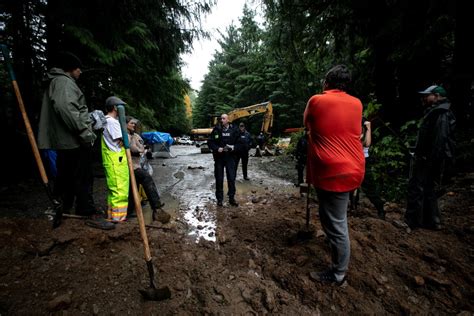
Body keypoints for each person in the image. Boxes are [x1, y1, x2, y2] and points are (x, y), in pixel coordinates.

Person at [38, 52, 114, 230]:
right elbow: (68, 110)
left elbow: (68, 110)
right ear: (70, 68)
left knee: (65, 175)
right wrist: (86, 133)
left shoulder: (56, 82)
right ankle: (86, 211)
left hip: (65, 141)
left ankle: (62, 209)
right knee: (83, 176)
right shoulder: (64, 82)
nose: (80, 71)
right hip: (74, 140)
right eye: (78, 68)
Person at [304, 64, 365, 286]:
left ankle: (339, 273)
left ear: (327, 82)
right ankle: (335, 250)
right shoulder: (357, 103)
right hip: (353, 167)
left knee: (338, 222)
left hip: (332, 172)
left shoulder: (317, 101)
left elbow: (308, 125)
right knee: (331, 216)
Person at [405, 85, 456, 230]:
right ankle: (432, 222)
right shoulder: (438, 112)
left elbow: (440, 139)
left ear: (437, 96)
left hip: (429, 159)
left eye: (427, 95)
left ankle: (412, 222)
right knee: (428, 189)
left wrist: (429, 159)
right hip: (429, 157)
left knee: (416, 187)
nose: (424, 98)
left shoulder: (441, 113)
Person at [126, 116, 170, 224]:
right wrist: (138, 150)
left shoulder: (136, 135)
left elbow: (140, 149)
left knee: (134, 187)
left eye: (134, 123)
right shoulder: (124, 135)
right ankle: (156, 207)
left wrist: (138, 150)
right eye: (131, 123)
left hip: (137, 164)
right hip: (128, 166)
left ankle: (130, 210)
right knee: (146, 177)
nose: (134, 125)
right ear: (125, 124)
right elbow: (134, 149)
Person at [349, 118, 386, 219]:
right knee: (350, 186)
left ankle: (380, 208)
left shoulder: (365, 131)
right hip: (352, 161)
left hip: (363, 162)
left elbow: (367, 144)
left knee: (369, 188)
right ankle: (353, 207)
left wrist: (368, 128)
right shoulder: (352, 129)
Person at [101, 96, 129, 222]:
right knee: (120, 191)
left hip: (112, 159)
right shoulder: (111, 122)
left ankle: (111, 216)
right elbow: (122, 140)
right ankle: (119, 220)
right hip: (116, 161)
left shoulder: (105, 121)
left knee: (113, 191)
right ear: (114, 108)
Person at [208, 113, 239, 207]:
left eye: (224, 118)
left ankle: (231, 198)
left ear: (228, 120)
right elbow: (210, 142)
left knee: (231, 178)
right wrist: (217, 148)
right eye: (221, 119)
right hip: (219, 158)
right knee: (219, 179)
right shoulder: (216, 130)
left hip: (230, 158)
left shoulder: (234, 130)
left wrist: (233, 147)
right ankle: (220, 199)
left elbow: (240, 143)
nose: (222, 120)